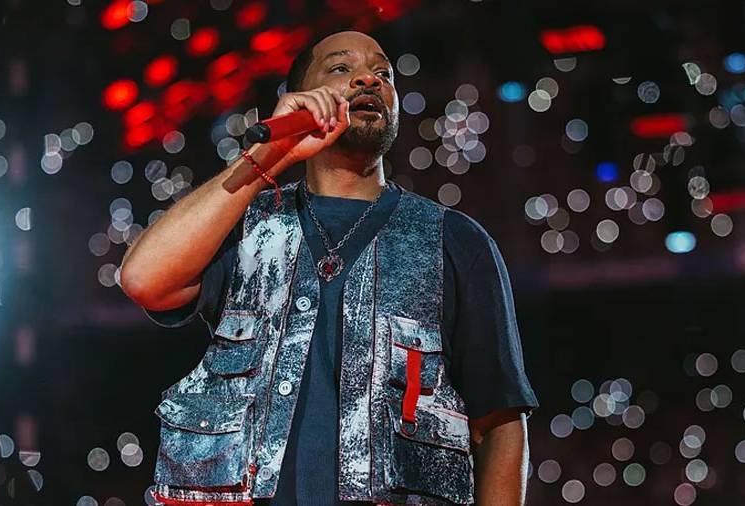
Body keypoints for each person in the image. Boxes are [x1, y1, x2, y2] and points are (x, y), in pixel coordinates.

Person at [121, 30, 538, 506]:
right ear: (298, 98)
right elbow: (143, 279)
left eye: (383, 73)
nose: (369, 79)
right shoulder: (245, 227)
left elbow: (500, 423)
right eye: (341, 68)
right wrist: (266, 156)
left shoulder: (455, 240)